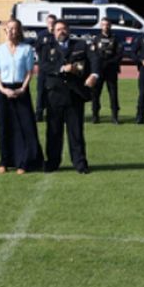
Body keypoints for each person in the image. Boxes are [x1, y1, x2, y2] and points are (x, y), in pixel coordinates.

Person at [39, 17, 98, 173]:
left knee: (76, 132)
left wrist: (94, 75)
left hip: (74, 94)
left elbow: (94, 59)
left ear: (69, 30)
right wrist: (62, 68)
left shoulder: (80, 45)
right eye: (58, 29)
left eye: (64, 29)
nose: (61, 32)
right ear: (53, 32)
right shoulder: (47, 47)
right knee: (54, 131)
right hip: (55, 95)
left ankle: (80, 163)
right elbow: (44, 65)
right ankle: (52, 162)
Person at [0, 18, 44, 175]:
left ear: (19, 31)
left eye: (14, 28)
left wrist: (22, 88)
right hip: (3, 90)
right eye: (9, 28)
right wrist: (3, 89)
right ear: (5, 31)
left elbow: (29, 71)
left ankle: (25, 162)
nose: (11, 31)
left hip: (21, 90)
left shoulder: (26, 49)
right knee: (4, 126)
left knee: (26, 126)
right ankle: (4, 161)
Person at [88, 18, 123, 125]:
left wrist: (109, 62)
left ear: (110, 26)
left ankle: (115, 117)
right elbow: (93, 54)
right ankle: (95, 116)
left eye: (107, 25)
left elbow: (119, 54)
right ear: (100, 26)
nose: (105, 27)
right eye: (103, 25)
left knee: (113, 94)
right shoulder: (96, 39)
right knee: (95, 94)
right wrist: (98, 65)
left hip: (111, 70)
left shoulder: (115, 38)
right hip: (98, 71)